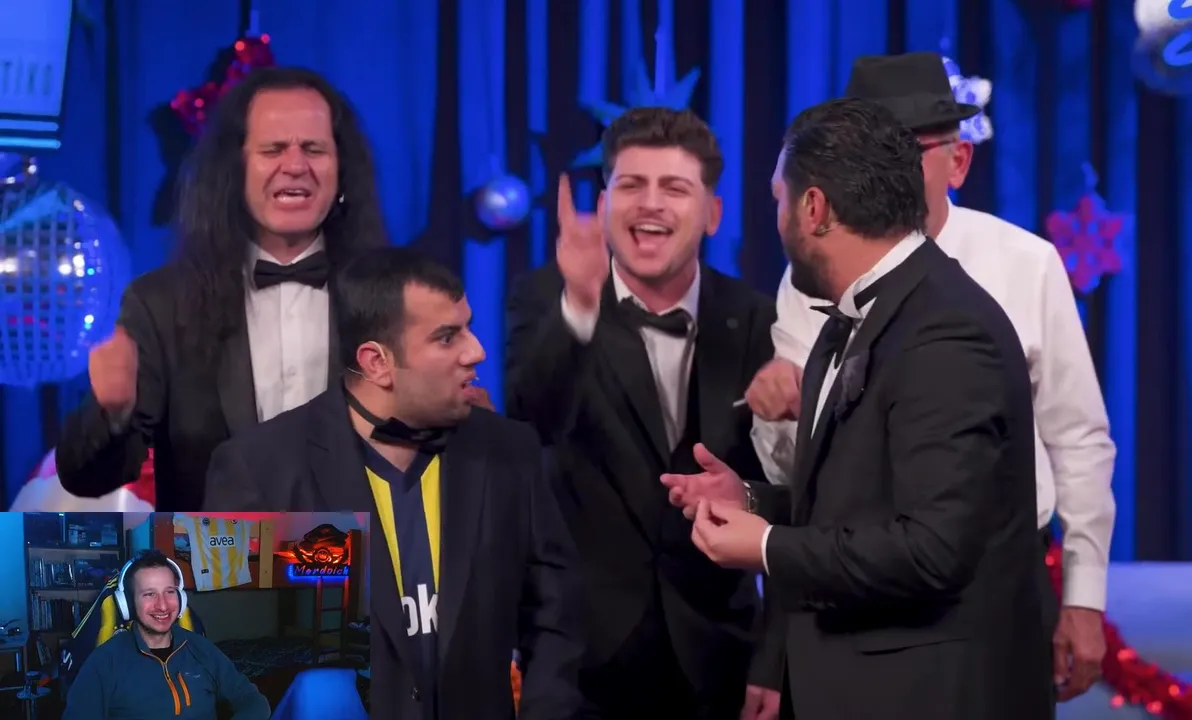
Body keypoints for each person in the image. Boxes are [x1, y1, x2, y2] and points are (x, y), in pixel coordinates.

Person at [662, 97, 1053, 719]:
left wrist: (767, 546)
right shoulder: (863, 317)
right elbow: (868, 504)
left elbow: (932, 549)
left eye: (779, 200)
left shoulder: (945, 331)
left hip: (926, 697)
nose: (778, 220)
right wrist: (753, 501)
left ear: (814, 208)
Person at [748, 51, 1114, 703]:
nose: (883, 167)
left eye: (905, 149)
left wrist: (1084, 597)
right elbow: (811, 475)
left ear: (959, 160)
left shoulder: (1016, 271)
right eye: (867, 147)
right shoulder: (814, 278)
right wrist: (760, 476)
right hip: (849, 592)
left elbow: (1076, 438)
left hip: (978, 597)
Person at [203, 247, 583, 719]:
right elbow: (231, 677)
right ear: (377, 362)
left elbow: (556, 618)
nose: (476, 351)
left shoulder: (508, 451)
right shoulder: (261, 470)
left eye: (467, 327)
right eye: (447, 337)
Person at [505, 107, 776, 718]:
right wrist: (581, 303)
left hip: (719, 659)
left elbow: (791, 496)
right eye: (631, 185)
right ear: (604, 205)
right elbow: (529, 420)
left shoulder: (759, 319)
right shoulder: (548, 299)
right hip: (579, 663)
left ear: (712, 214)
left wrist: (774, 655)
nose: (650, 204)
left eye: (674, 188)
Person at [55, 66, 388, 511]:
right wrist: (112, 413)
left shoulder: (392, 298)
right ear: (235, 169)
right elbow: (86, 478)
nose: (295, 166)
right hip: (215, 556)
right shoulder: (159, 305)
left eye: (314, 149)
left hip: (364, 555)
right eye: (273, 149)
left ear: (342, 169)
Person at [62, 550, 270, 719]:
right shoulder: (104, 662)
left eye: (169, 592)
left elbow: (254, 701)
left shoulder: (201, 649)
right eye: (149, 594)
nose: (162, 605)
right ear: (128, 604)